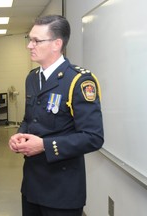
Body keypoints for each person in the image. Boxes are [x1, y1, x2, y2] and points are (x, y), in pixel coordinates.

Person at [8, 15, 104, 216]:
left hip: (62, 190)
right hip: (32, 186)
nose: (29, 45)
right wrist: (20, 135)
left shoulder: (79, 81)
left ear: (56, 44)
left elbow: (93, 137)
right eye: (29, 39)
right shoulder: (32, 78)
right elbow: (29, 119)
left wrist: (43, 145)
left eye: (36, 40)